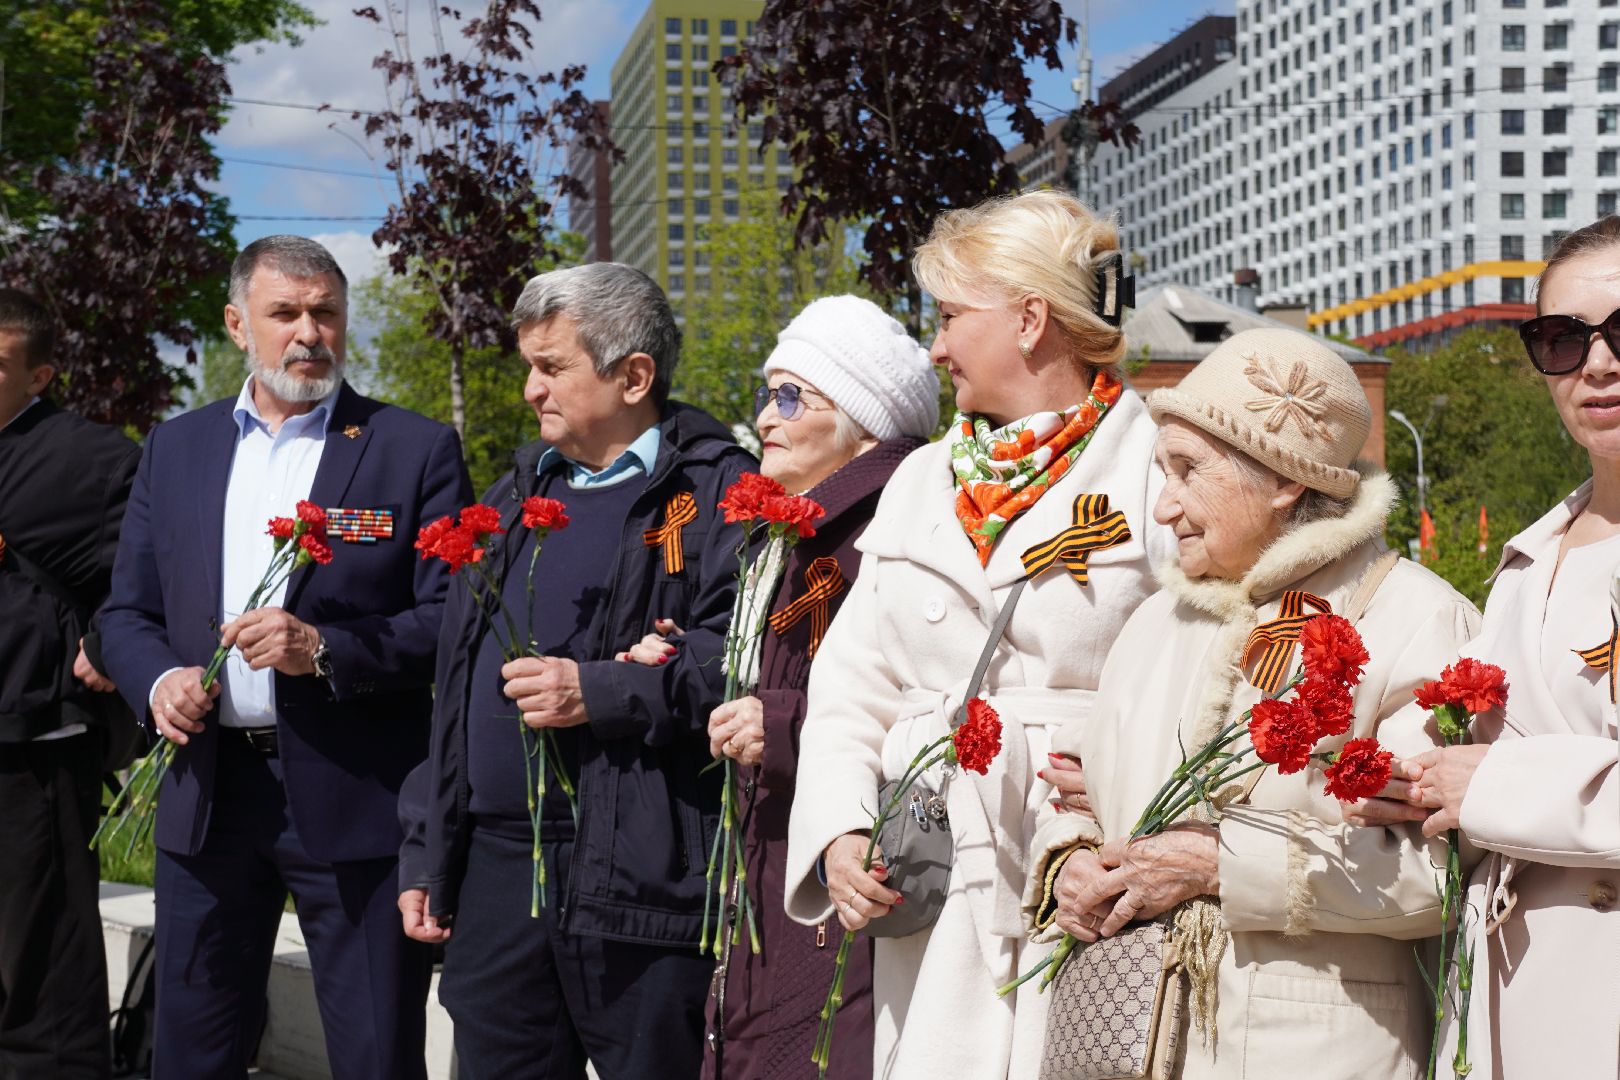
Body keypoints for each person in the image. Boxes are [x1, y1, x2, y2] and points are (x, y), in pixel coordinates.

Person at [782, 190, 1173, 1080]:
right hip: (930, 872)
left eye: (952, 317)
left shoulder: (1158, 465)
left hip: (1087, 869)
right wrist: (842, 830)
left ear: (1030, 320)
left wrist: (1125, 795)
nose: (936, 347)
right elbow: (850, 687)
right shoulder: (921, 479)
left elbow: (1205, 676)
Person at [1024, 327, 1480, 1078]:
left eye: (1187, 471)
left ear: (1282, 481)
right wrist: (1069, 862)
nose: (1162, 508)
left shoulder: (1417, 620)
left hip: (1313, 1052)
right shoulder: (1155, 622)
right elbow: (1081, 793)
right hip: (1131, 1042)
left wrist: (1220, 864)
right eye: (1162, 472)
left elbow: (1439, 874)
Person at [99, 236, 471, 1080]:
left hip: (355, 795)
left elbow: (454, 620)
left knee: (377, 1054)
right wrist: (157, 682)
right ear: (238, 325)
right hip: (207, 795)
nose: (310, 332)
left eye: (326, 312)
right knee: (192, 1053)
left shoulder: (411, 448)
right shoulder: (176, 447)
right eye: (286, 313)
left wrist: (326, 650)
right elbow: (127, 612)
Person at [396, 262, 756, 1080]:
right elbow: (454, 696)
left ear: (634, 376)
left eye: (551, 366)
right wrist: (428, 845)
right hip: (498, 876)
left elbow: (741, 658)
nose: (531, 389)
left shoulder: (718, 493)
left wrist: (596, 691)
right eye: (530, 365)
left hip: (640, 879)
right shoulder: (514, 497)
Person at [620, 295, 940, 1078]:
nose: (767, 416)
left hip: (845, 874)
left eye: (792, 396)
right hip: (774, 858)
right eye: (767, 394)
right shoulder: (798, 534)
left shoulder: (896, 533)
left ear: (864, 421)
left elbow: (937, 702)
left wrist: (787, 725)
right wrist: (694, 659)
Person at [1350, 218, 1620, 1078]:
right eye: (1563, 340)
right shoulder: (1527, 558)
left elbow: (1502, 781)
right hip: (1510, 995)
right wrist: (1410, 783)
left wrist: (1495, 787)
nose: (1598, 364)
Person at [0, 288, 140, 1079]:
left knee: (43, 960)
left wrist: (107, 641)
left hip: (33, 745)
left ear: (40, 375)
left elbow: (153, 575)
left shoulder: (95, 461)